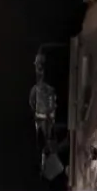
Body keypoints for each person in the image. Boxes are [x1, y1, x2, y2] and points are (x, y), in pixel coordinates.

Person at [29, 52, 62, 180]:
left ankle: (50, 170)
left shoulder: (47, 87)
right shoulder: (37, 89)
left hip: (48, 118)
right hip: (43, 119)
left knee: (49, 142)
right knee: (45, 143)